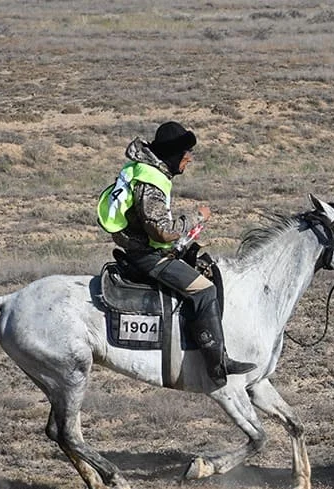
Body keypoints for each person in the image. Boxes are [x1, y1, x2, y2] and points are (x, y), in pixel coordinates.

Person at [97, 121, 255, 387]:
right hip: (147, 255)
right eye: (186, 154)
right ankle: (217, 364)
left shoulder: (140, 170)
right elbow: (161, 231)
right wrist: (195, 217)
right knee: (204, 291)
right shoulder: (151, 182)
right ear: (173, 155)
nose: (189, 159)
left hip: (143, 247)